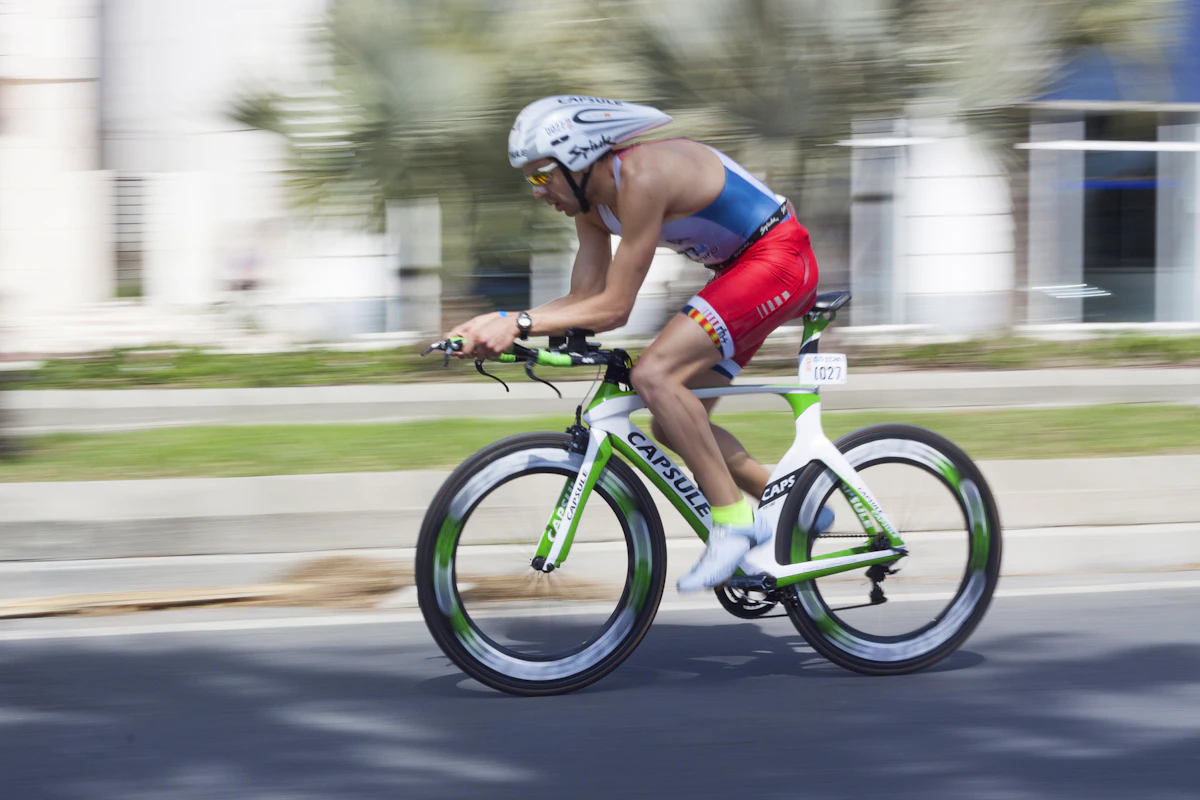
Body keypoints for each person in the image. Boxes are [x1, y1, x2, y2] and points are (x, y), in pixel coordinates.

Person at [451, 95, 819, 592]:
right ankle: (799, 505)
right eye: (529, 181)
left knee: (653, 376)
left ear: (578, 159)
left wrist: (515, 322)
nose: (538, 192)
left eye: (542, 177)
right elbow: (585, 298)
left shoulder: (643, 178)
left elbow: (615, 307)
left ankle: (734, 522)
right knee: (673, 424)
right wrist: (494, 324)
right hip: (741, 273)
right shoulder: (592, 207)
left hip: (779, 259)